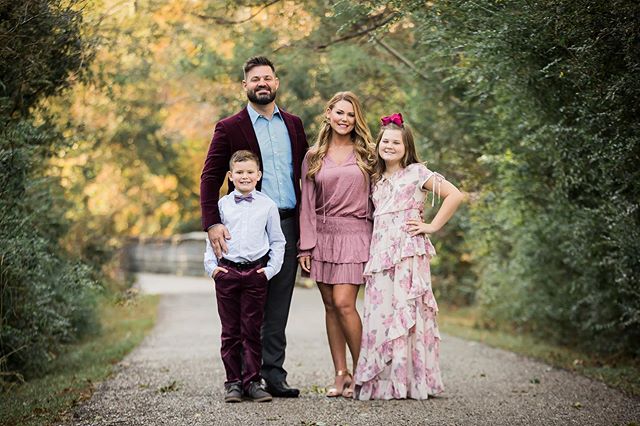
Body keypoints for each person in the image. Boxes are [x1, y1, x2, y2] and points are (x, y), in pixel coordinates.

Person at [200, 56, 308, 398]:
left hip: (287, 225)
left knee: (277, 305)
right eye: (255, 79)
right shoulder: (229, 127)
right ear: (245, 86)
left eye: (267, 78)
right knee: (245, 307)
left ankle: (273, 374)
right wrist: (212, 223)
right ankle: (245, 378)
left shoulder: (293, 124)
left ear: (276, 83)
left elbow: (307, 177)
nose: (262, 83)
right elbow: (210, 178)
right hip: (245, 227)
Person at [354, 113, 464, 400]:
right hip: (379, 255)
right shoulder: (375, 178)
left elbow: (454, 195)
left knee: (407, 314)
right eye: (385, 141)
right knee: (380, 314)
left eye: (396, 142)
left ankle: (410, 381)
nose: (389, 146)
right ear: (378, 144)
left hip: (407, 254)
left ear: (406, 146)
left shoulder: (417, 173)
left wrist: (432, 226)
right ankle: (383, 381)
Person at [298, 91, 375, 398]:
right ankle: (341, 374)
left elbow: (381, 194)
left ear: (357, 119)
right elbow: (306, 203)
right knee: (330, 306)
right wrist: (305, 246)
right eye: (339, 112)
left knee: (345, 304)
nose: (345, 119)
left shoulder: (368, 154)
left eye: (351, 114)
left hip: (356, 234)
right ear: (328, 114)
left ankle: (364, 372)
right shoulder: (313, 156)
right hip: (322, 237)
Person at [204, 150, 285, 403]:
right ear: (230, 176)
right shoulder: (222, 205)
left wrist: (269, 271)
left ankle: (252, 381)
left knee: (251, 330)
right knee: (230, 331)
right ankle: (233, 383)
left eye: (250, 172)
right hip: (227, 272)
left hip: (255, 273)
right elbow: (212, 240)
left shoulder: (268, 205)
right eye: (239, 172)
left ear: (259, 175)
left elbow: (278, 242)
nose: (245, 176)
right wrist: (213, 269)